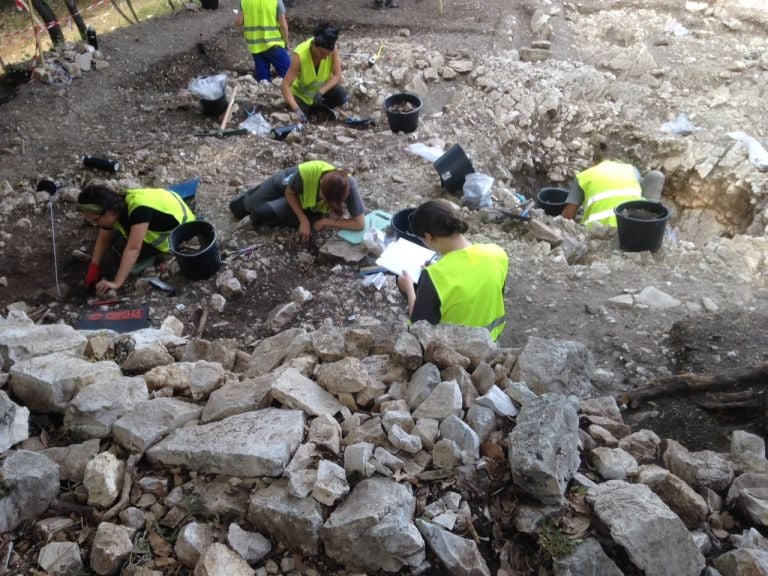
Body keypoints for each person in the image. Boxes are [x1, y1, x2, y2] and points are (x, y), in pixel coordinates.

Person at [396, 200, 509, 341]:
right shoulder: (497, 253)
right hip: (491, 339)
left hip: (454, 351)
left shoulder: (435, 277)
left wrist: (409, 289)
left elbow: (418, 328)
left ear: (428, 237)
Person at [77, 185, 195, 295]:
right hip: (170, 206)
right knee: (113, 241)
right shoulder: (117, 204)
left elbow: (133, 248)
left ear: (109, 211)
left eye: (96, 220)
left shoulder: (139, 210)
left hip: (180, 230)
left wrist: (116, 282)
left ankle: (153, 258)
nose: (95, 224)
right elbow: (103, 238)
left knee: (117, 254)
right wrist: (94, 266)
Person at [228, 160, 364, 241]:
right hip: (287, 185)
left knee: (259, 213)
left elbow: (359, 224)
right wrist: (304, 221)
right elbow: (290, 192)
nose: (327, 204)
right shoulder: (309, 172)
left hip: (304, 204)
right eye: (325, 199)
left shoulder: (349, 186)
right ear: (321, 183)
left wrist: (326, 221)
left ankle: (301, 216)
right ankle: (302, 216)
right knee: (237, 209)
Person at [562, 142, 665, 229]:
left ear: (593, 162)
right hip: (632, 225)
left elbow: (568, 215)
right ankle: (652, 224)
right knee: (654, 176)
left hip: (597, 230)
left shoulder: (584, 176)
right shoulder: (631, 169)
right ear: (617, 160)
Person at [280, 22, 348, 123]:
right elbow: (284, 85)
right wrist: (296, 109)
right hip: (301, 95)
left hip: (320, 93)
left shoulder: (332, 50)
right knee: (299, 117)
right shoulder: (300, 54)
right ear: (314, 45)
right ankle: (313, 112)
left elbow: (337, 75)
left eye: (327, 54)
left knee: (340, 92)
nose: (325, 56)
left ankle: (320, 110)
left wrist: (321, 91)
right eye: (322, 53)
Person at [234, 0, 291, 82]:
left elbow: (239, 22)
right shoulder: (276, 1)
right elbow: (283, 25)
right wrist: (286, 42)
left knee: (263, 80)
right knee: (290, 74)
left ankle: (263, 91)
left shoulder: (244, 1)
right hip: (273, 44)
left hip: (255, 46)